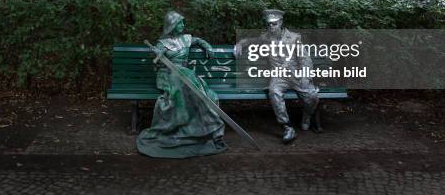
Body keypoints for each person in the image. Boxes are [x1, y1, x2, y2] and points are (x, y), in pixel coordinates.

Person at [136, 11, 228, 158]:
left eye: (183, 23)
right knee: (179, 89)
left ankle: (206, 130)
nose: (183, 25)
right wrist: (156, 54)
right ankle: (181, 129)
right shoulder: (163, 43)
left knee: (207, 95)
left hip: (186, 74)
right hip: (169, 75)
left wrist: (207, 46)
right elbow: (157, 58)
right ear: (172, 26)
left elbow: (197, 40)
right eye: (180, 23)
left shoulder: (186, 39)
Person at [236, 9, 319, 143]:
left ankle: (307, 115)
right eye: (269, 24)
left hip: (296, 75)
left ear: (280, 22)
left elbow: (305, 59)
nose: (271, 26)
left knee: (312, 96)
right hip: (279, 77)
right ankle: (287, 127)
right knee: (273, 91)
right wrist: (240, 43)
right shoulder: (265, 37)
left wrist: (305, 76)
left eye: (274, 23)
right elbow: (252, 40)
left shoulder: (293, 38)